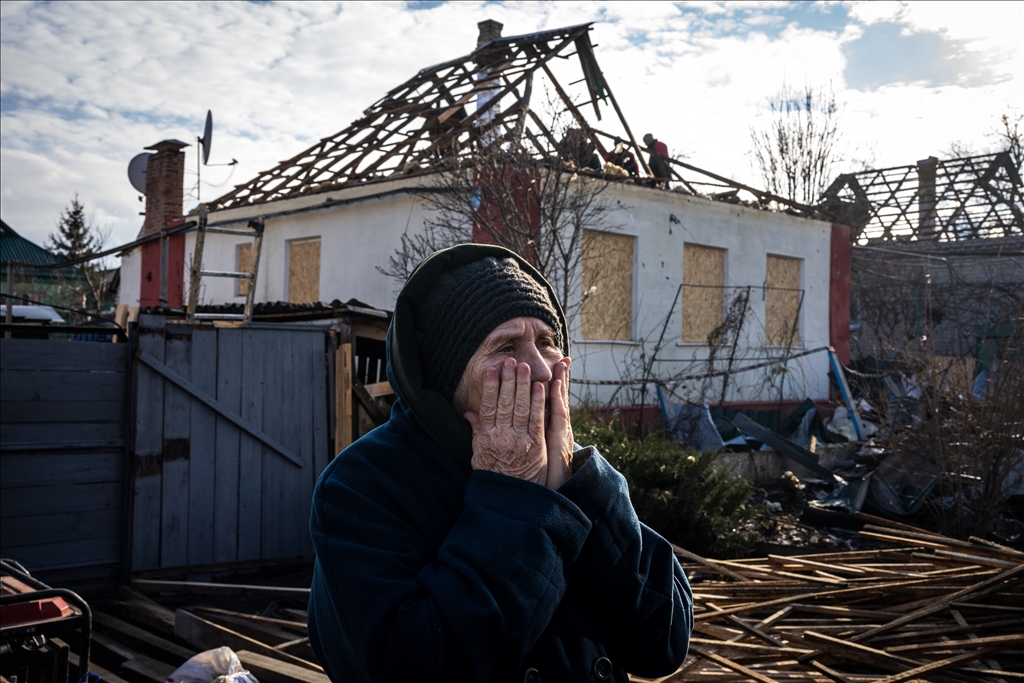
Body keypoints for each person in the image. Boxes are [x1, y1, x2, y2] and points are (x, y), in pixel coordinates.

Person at [308, 244, 693, 682]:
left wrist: (579, 485)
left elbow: (663, 645)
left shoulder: (564, 461)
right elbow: (420, 667)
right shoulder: (362, 486)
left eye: (547, 342)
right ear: (445, 380)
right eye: (507, 347)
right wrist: (514, 496)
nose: (542, 370)